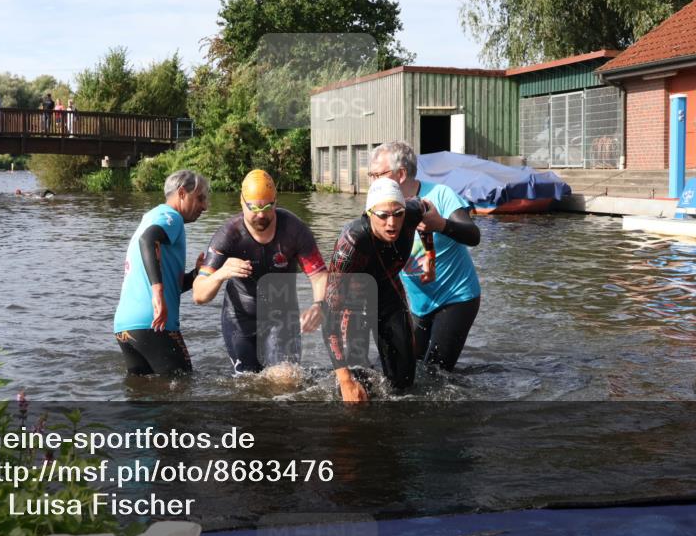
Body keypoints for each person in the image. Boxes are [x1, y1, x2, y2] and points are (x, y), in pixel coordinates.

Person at [322, 177, 465, 402]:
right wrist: (345, 380)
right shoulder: (351, 242)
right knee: (355, 380)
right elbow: (330, 315)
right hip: (353, 301)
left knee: (404, 380)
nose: (392, 223)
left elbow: (425, 208)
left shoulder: (412, 210)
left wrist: (430, 255)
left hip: (387, 288)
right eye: (383, 216)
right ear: (369, 213)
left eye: (397, 214)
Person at [193, 170, 328, 374]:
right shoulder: (229, 235)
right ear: (242, 201)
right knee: (248, 384)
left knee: (286, 380)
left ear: (276, 201)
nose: (262, 214)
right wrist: (221, 273)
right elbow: (199, 295)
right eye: (254, 207)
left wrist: (319, 305)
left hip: (282, 316)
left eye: (268, 206)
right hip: (240, 318)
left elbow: (319, 276)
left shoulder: (294, 230)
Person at [369, 141, 481, 375]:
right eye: (371, 175)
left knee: (435, 373)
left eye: (377, 175)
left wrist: (440, 224)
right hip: (419, 304)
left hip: (457, 298)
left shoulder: (440, 195)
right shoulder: (381, 207)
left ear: (400, 175)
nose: (372, 182)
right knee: (404, 369)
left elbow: (473, 235)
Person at [113, 170, 209, 376]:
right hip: (155, 323)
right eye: (200, 198)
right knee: (182, 389)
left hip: (125, 326)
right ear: (182, 193)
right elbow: (147, 240)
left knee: (144, 394)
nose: (205, 206)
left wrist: (195, 275)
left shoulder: (151, 216)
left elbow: (170, 284)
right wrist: (158, 295)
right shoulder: (171, 217)